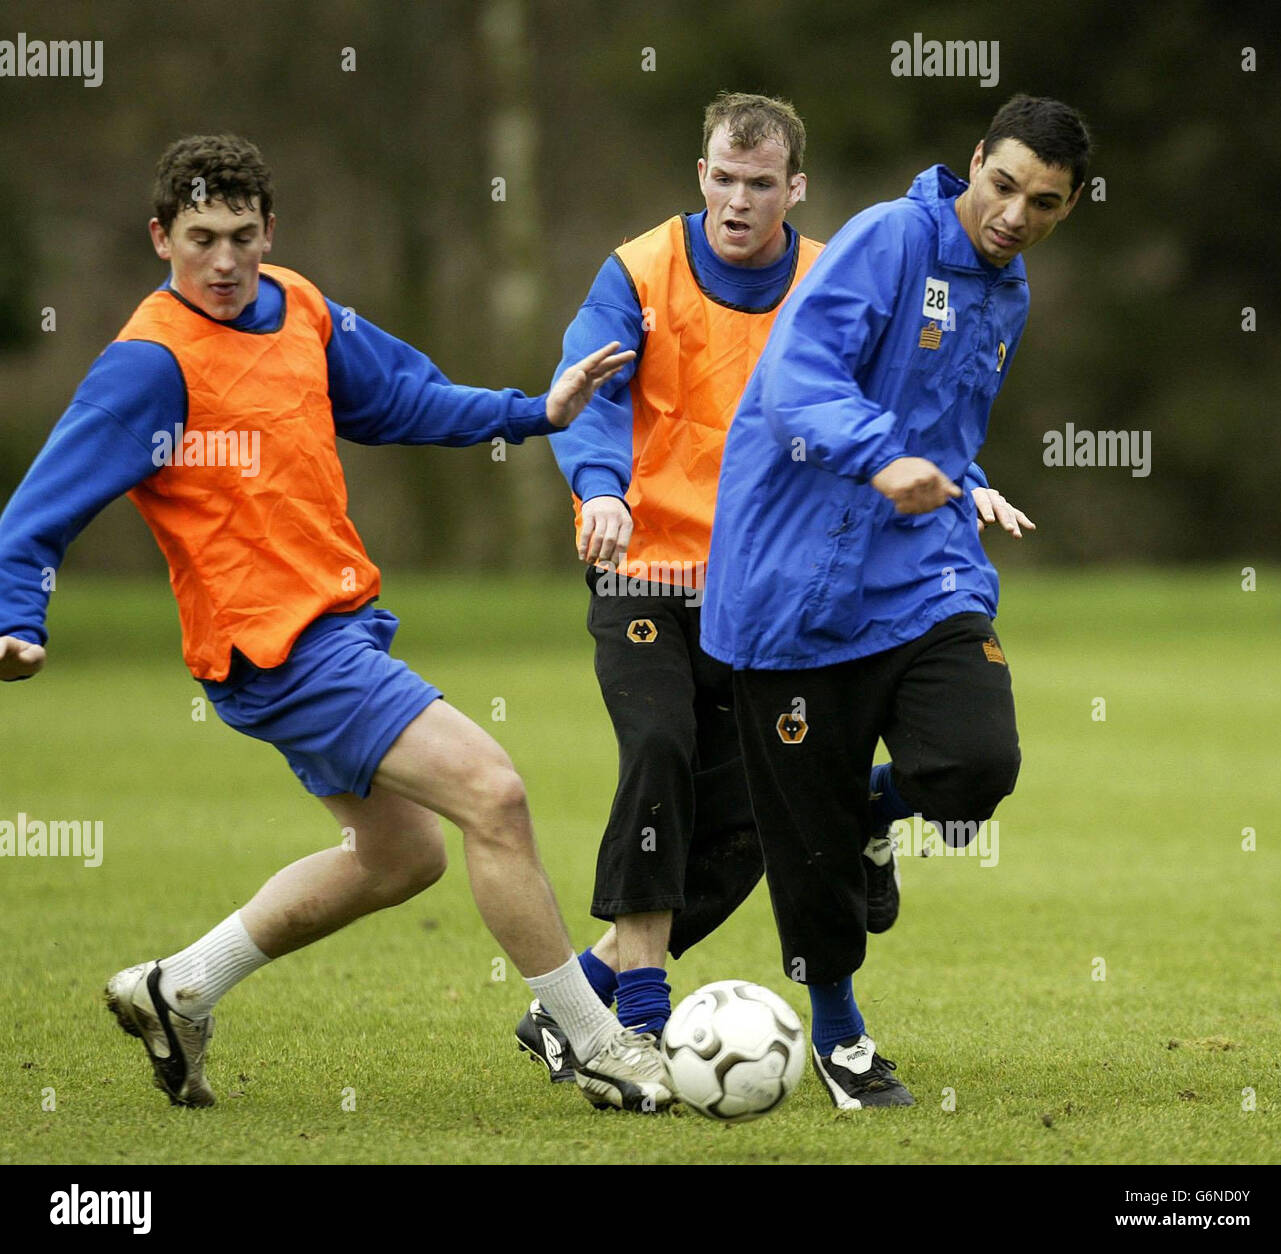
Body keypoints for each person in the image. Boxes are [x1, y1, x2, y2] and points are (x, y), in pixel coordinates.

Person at [0, 133, 672, 1114]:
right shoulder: (149, 366)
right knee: (493, 792)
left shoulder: (301, 307)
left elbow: (399, 396)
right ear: (159, 238)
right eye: (198, 239)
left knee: (403, 858)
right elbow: (36, 511)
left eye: (240, 236)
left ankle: (178, 986)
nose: (223, 262)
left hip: (340, 627)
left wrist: (534, 412)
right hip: (274, 648)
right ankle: (598, 1042)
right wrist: (19, 616)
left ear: (268, 230)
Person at [515, 93, 1035, 1084]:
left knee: (760, 818)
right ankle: (636, 1022)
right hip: (649, 571)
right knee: (661, 746)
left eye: (760, 183)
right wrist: (598, 490)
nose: (737, 199)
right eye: (722, 176)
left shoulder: (835, 268)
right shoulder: (639, 271)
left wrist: (960, 476)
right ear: (698, 173)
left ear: (795, 190)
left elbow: (903, 399)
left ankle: (575, 997)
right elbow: (587, 390)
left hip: (771, 585)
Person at [700, 94, 1089, 1109]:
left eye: (1042, 202)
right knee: (810, 849)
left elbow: (942, 424)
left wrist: (966, 479)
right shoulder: (887, 238)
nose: (1014, 215)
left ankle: (877, 808)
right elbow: (794, 380)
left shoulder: (1010, 295)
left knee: (974, 766)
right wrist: (882, 460)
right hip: (789, 583)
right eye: (1002, 186)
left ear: (1068, 205)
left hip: (921, 573)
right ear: (973, 165)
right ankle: (840, 1039)